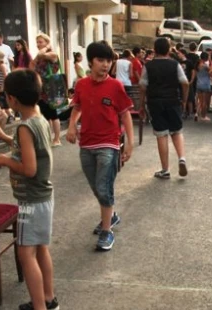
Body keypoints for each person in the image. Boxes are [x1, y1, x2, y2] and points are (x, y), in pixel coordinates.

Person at [0, 69, 56, 310]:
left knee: (25, 253)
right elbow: (30, 151)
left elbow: (29, 168)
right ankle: (47, 299)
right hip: (43, 197)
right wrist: (5, 138)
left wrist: (5, 160)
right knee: (40, 249)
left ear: (12, 99)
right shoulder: (38, 120)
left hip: (30, 200)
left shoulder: (25, 127)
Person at [66, 41, 134, 252]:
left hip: (109, 143)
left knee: (104, 187)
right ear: (91, 61)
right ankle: (111, 215)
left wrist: (129, 142)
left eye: (108, 61)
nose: (105, 65)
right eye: (101, 60)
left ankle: (106, 232)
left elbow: (125, 114)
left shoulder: (115, 86)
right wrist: (71, 126)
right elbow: (77, 107)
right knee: (96, 186)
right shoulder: (82, 85)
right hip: (86, 143)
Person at [139, 37, 189, 180]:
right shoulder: (175, 64)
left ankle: (165, 170)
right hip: (173, 101)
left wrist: (141, 104)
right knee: (177, 131)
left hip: (155, 103)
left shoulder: (148, 66)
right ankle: (182, 158)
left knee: (161, 134)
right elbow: (185, 83)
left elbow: (142, 86)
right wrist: (184, 100)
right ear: (169, 50)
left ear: (154, 50)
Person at [32, 33, 65, 147]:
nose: (38, 44)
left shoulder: (52, 54)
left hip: (51, 88)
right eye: (37, 42)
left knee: (53, 114)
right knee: (44, 114)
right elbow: (33, 63)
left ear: (47, 42)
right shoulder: (40, 56)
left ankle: (57, 138)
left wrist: (46, 48)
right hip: (41, 89)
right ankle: (47, 137)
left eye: (41, 42)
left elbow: (41, 55)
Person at [195, 52, 212, 121]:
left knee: (200, 101)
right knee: (205, 102)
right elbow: (211, 71)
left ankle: (197, 113)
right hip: (205, 84)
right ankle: (203, 116)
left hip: (198, 84)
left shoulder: (197, 65)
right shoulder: (205, 66)